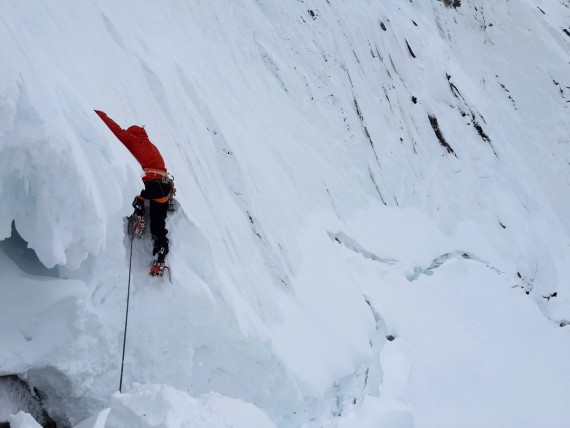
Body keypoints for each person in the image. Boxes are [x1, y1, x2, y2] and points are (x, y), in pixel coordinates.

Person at [95, 110, 171, 276]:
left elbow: (115, 130)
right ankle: (160, 256)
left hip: (149, 182)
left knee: (135, 195)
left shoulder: (132, 140)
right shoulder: (153, 147)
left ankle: (139, 216)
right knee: (158, 225)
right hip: (164, 187)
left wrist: (99, 115)